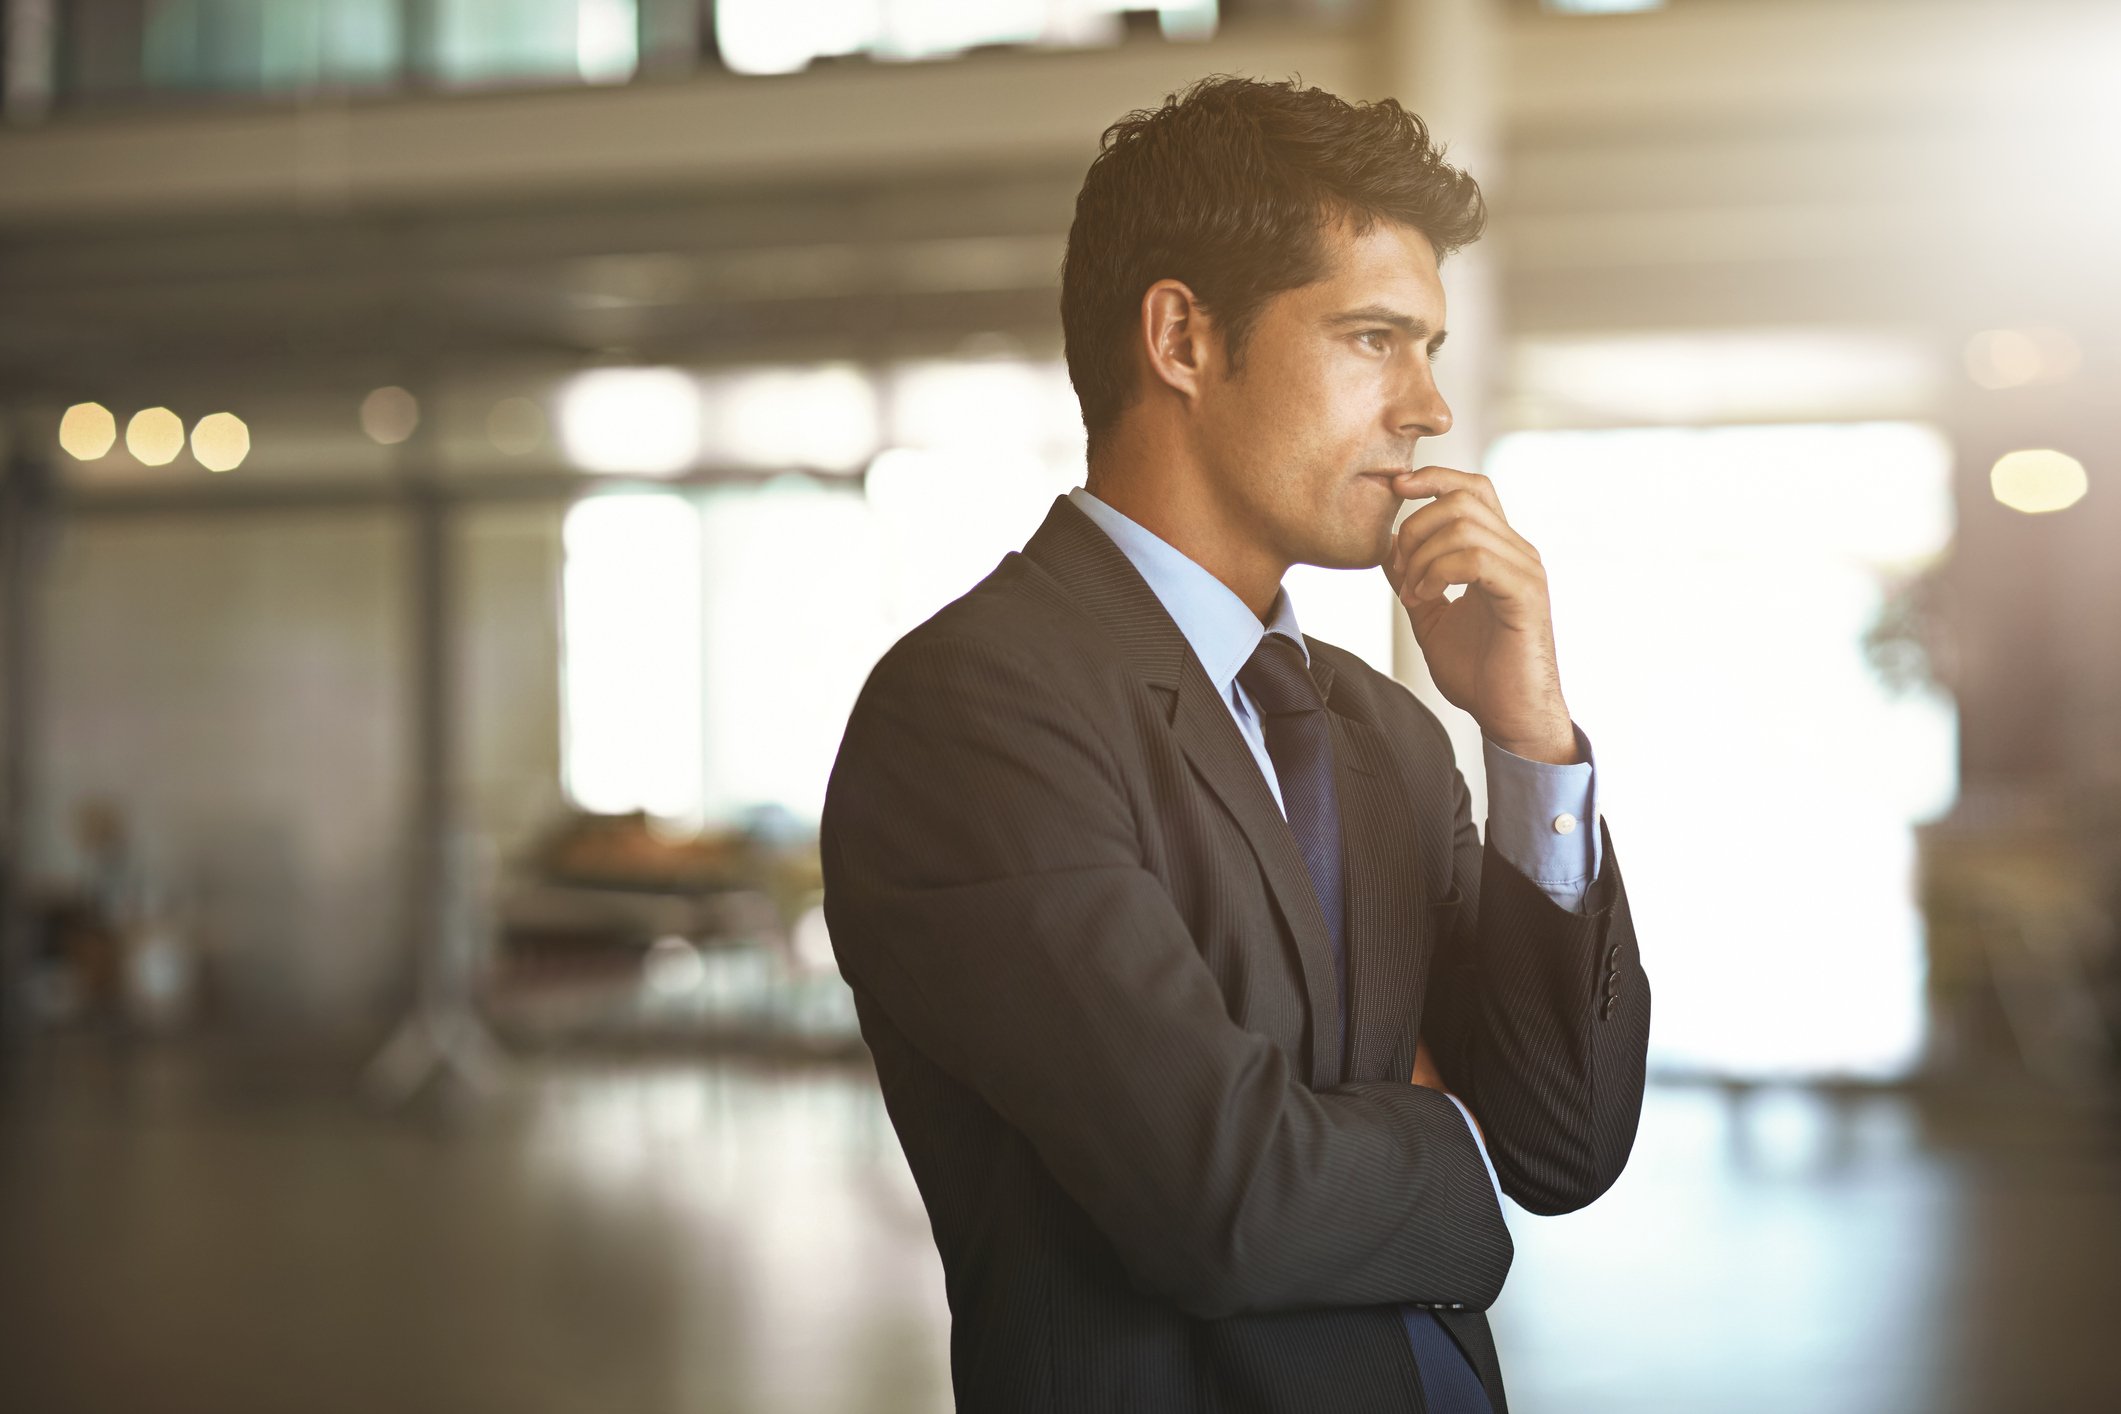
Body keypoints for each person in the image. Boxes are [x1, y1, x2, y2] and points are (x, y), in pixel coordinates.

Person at [821, 75, 1649, 1413]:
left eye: (1429, 347)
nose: (1427, 406)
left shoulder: (1384, 732)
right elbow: (1228, 1201)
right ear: (1181, 339)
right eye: (1375, 338)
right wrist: (1448, 1132)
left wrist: (1529, 742)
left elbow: (1560, 1141)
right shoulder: (972, 712)